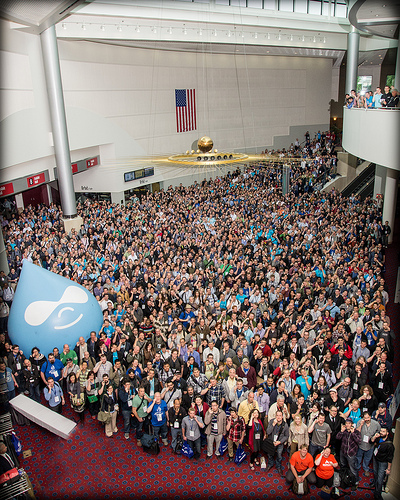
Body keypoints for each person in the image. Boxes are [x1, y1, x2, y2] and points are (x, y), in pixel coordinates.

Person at [371, 427, 395, 500]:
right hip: (376, 459)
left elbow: (390, 458)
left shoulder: (390, 445)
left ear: (387, 433)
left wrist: (388, 469)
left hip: (383, 462)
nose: (381, 432)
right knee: (375, 473)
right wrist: (375, 437)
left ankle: (377, 493)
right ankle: (374, 484)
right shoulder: (379, 438)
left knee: (380, 478)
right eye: (381, 431)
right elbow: (371, 442)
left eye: (383, 431)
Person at [336, 417, 362, 484]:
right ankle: (343, 478)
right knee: (343, 466)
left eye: (349, 423)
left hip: (351, 454)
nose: (347, 425)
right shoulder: (343, 431)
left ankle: (355, 481)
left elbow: (359, 441)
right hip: (343, 452)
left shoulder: (356, 432)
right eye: (346, 423)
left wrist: (353, 433)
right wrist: (341, 431)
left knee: (353, 469)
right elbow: (337, 438)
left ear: (352, 424)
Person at [356, 411, 381, 477]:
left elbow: (378, 431)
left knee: (368, 458)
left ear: (370, 417)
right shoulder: (359, 422)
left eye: (368, 418)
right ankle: (357, 467)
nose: (366, 419)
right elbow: (356, 432)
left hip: (370, 445)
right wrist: (361, 425)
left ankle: (365, 468)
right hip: (361, 444)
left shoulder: (376, 424)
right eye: (365, 418)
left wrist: (375, 439)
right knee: (358, 457)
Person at [266, 410, 289, 475]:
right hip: (271, 442)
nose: (278, 417)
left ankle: (278, 466)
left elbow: (286, 436)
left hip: (279, 443)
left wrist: (280, 442)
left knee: (279, 455)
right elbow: (268, 432)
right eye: (277, 415)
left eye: (280, 416)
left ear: (282, 417)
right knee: (270, 454)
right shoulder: (271, 421)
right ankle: (270, 464)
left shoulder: (285, 425)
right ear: (275, 416)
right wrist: (273, 424)